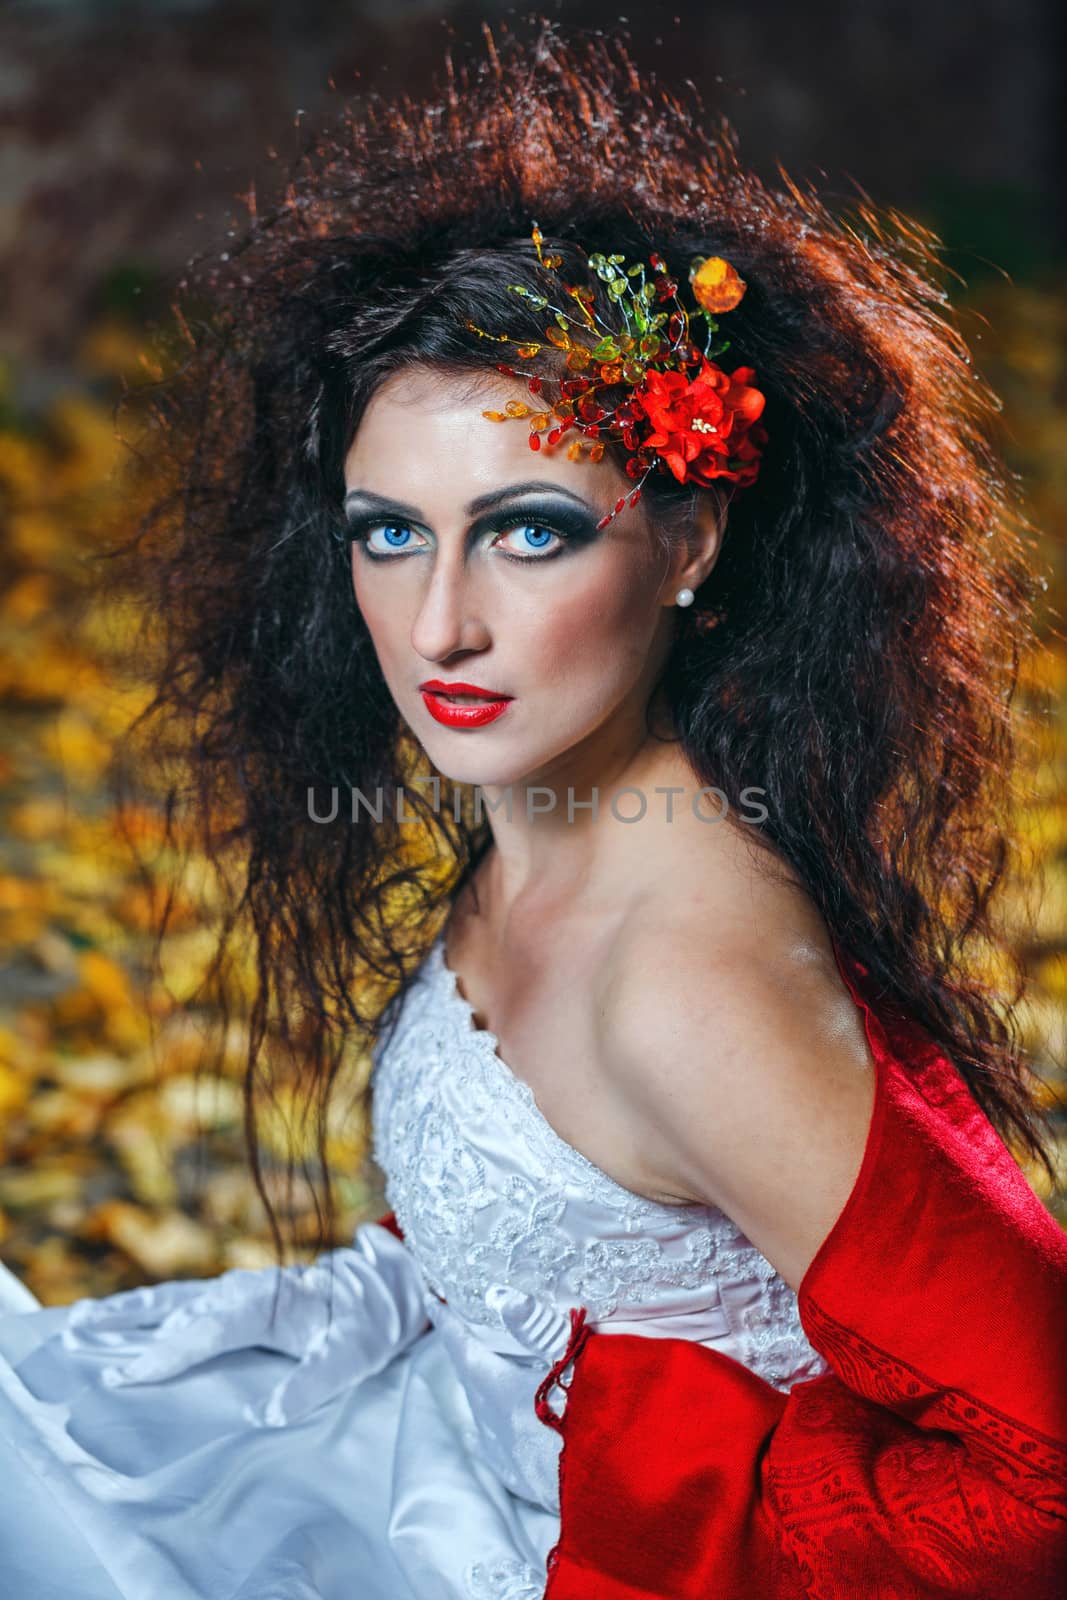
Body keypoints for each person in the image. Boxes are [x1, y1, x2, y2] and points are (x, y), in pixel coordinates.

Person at [1, 24, 1065, 1600]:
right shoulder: (551, 824)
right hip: (401, 1437)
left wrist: (651, 1488)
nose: (437, 628)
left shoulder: (695, 982)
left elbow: (1042, 1468)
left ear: (690, 539)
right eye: (388, 533)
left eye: (532, 533)